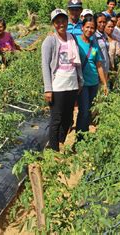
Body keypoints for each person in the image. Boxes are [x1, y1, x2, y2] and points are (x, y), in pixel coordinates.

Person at [42, 9, 84, 151]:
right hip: (57, 85)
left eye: (63, 21)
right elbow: (45, 65)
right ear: (54, 24)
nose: (61, 24)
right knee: (56, 119)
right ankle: (54, 151)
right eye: (57, 22)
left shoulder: (72, 37)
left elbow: (77, 62)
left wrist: (80, 80)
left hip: (72, 83)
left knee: (68, 118)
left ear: (67, 21)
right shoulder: (50, 40)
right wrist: (48, 89)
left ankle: (60, 142)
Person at [75, 16, 109, 140]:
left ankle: (85, 135)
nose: (89, 30)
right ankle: (79, 139)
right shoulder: (75, 42)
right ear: (82, 27)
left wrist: (104, 83)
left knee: (89, 110)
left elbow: (99, 65)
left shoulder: (94, 45)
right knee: (83, 111)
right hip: (82, 83)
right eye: (87, 27)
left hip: (93, 83)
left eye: (92, 28)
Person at [94, 13, 110, 80]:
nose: (102, 24)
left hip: (105, 68)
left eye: (104, 22)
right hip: (97, 71)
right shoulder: (94, 36)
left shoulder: (104, 35)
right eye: (100, 22)